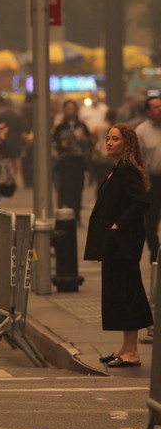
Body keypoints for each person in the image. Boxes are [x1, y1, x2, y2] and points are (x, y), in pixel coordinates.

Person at [82, 123, 152, 368]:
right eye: (108, 138)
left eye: (115, 139)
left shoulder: (125, 170)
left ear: (127, 143)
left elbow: (142, 202)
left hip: (124, 243)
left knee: (127, 293)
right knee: (120, 293)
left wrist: (118, 225)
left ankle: (132, 352)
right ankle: (125, 348)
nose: (109, 142)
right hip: (116, 244)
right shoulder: (117, 169)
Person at [52, 99, 93, 222]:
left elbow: (90, 142)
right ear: (64, 110)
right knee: (64, 189)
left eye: (73, 108)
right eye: (68, 108)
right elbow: (53, 143)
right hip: (64, 162)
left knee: (77, 189)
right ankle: (65, 214)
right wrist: (61, 144)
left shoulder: (82, 126)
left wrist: (84, 139)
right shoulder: (60, 127)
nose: (71, 111)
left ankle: (77, 214)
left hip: (78, 162)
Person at [136, 95, 161, 263]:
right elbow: (138, 159)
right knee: (150, 219)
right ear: (148, 112)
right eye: (155, 107)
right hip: (152, 180)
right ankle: (154, 250)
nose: (159, 109)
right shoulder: (141, 131)